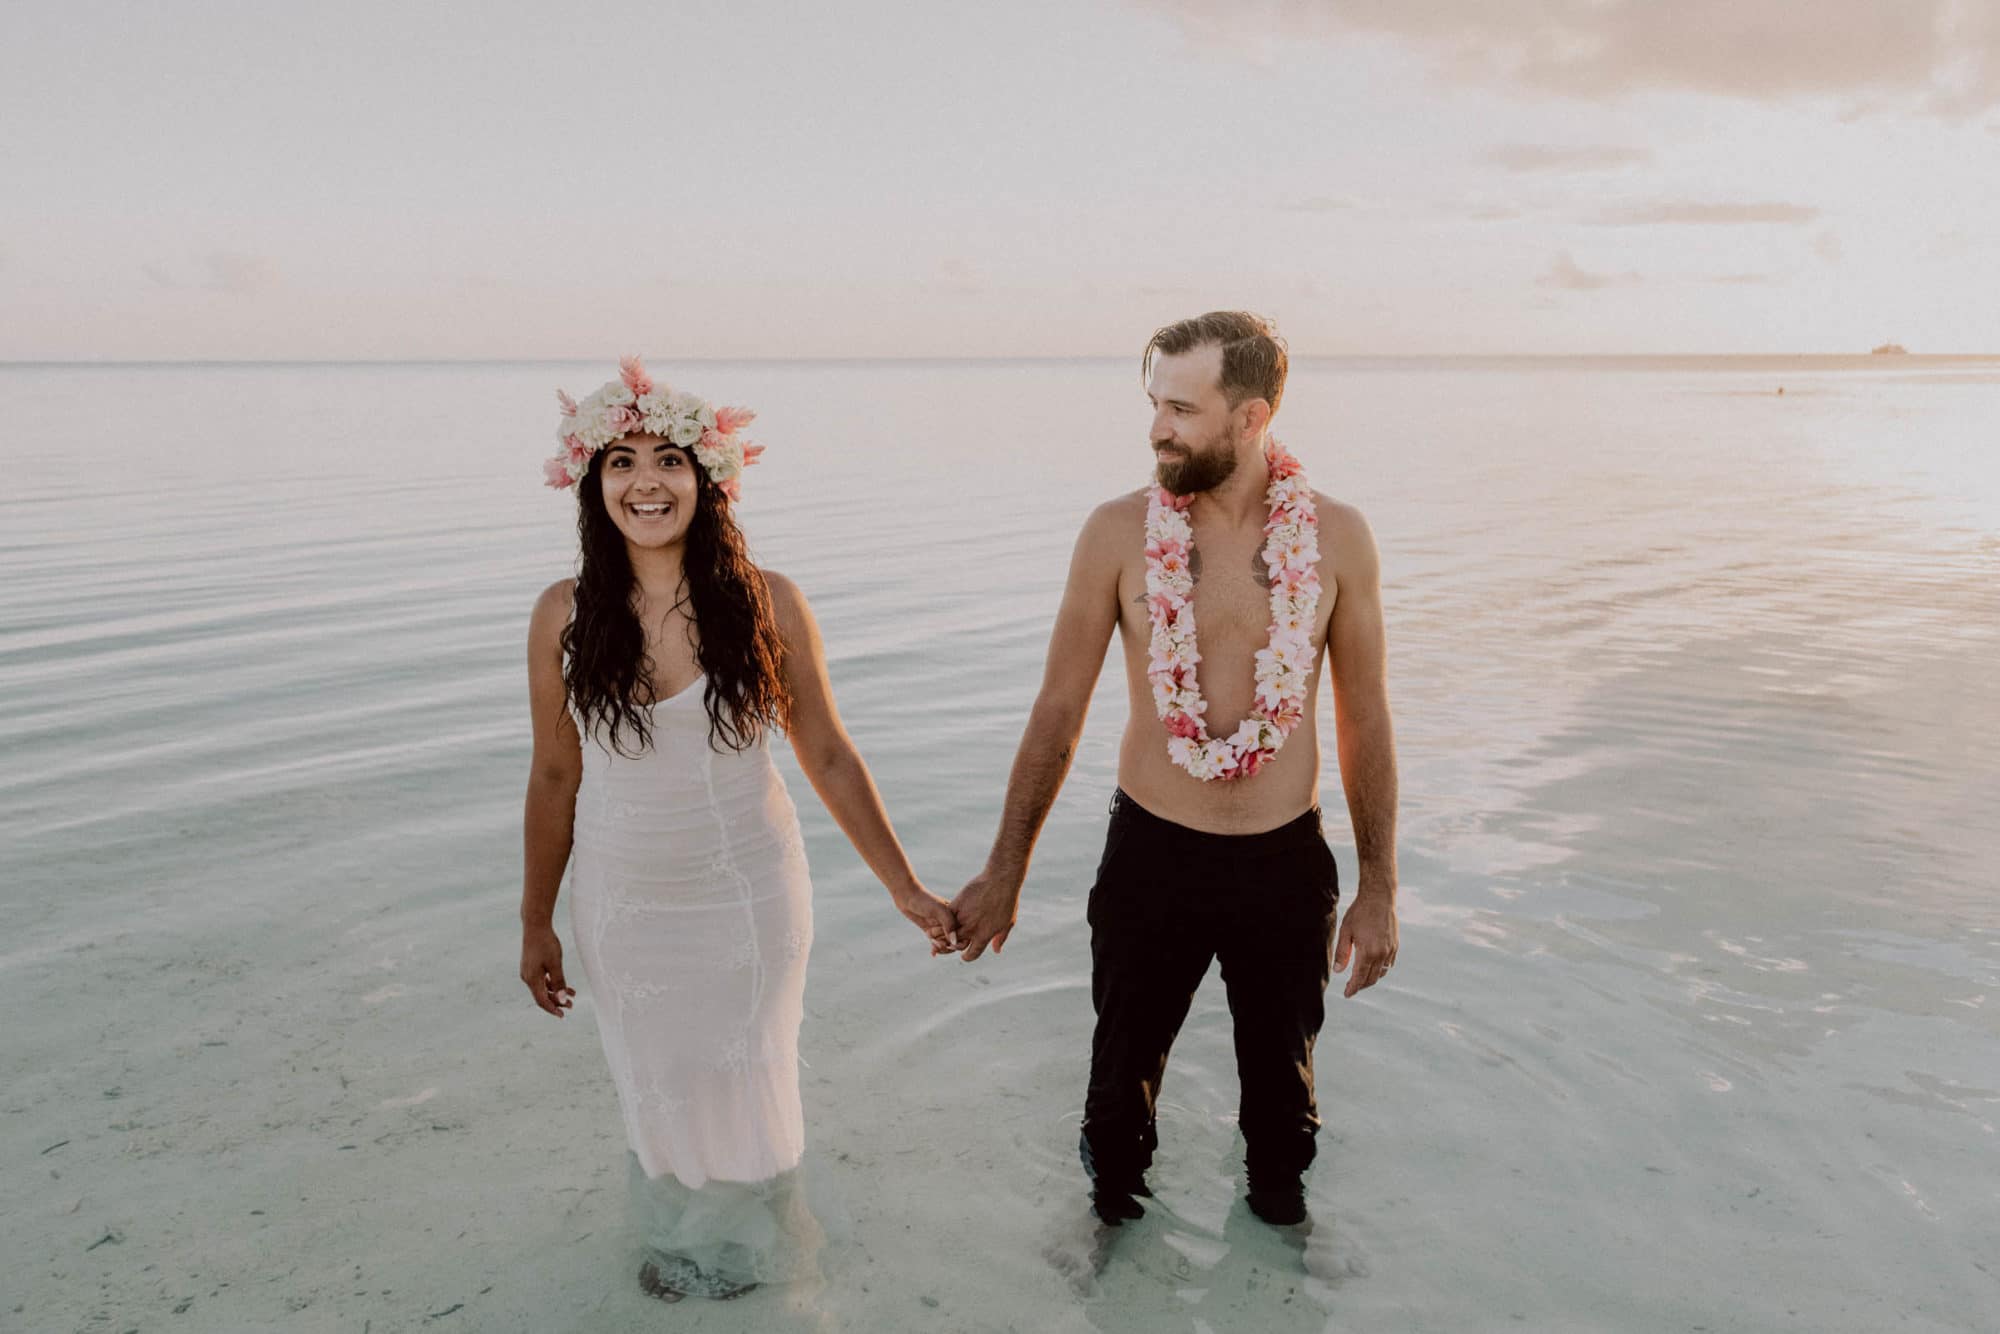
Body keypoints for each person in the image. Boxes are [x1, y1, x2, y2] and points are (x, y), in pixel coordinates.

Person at [517, 358, 958, 1301]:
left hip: (749, 893)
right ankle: (681, 1238)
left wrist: (906, 889)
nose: (647, 481)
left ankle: (777, 1256)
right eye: (622, 462)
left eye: (670, 459)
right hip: (622, 900)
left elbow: (827, 753)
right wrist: (534, 921)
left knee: (750, 1072)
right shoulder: (562, 614)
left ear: (706, 477)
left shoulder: (769, 600)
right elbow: (555, 774)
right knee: (654, 1078)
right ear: (593, 486)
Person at [949, 312, 1400, 1227]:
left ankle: (1278, 1269)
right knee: (1116, 1099)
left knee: (1284, 1111)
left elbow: (1367, 716)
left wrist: (1380, 884)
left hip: (1284, 865)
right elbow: (1057, 712)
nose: (1158, 427)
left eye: (1183, 409)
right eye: (1156, 403)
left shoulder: (1339, 538)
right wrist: (1005, 871)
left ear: (1251, 418)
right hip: (1151, 857)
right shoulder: (1117, 534)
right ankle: (1110, 1244)